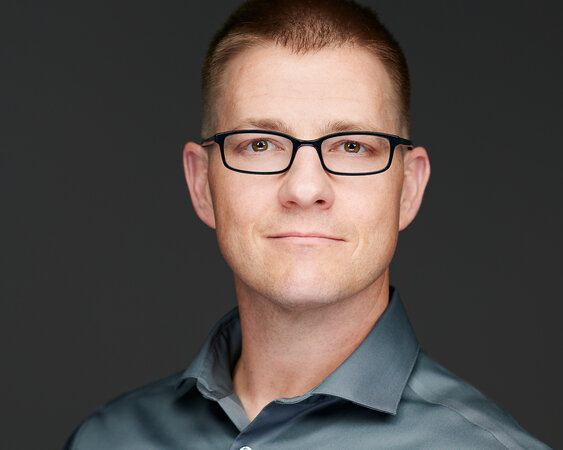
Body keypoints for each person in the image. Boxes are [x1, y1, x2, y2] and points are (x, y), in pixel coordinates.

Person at [65, 0, 550, 448]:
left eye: (352, 146)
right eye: (259, 144)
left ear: (408, 189)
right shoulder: (106, 440)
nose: (303, 188)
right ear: (201, 183)